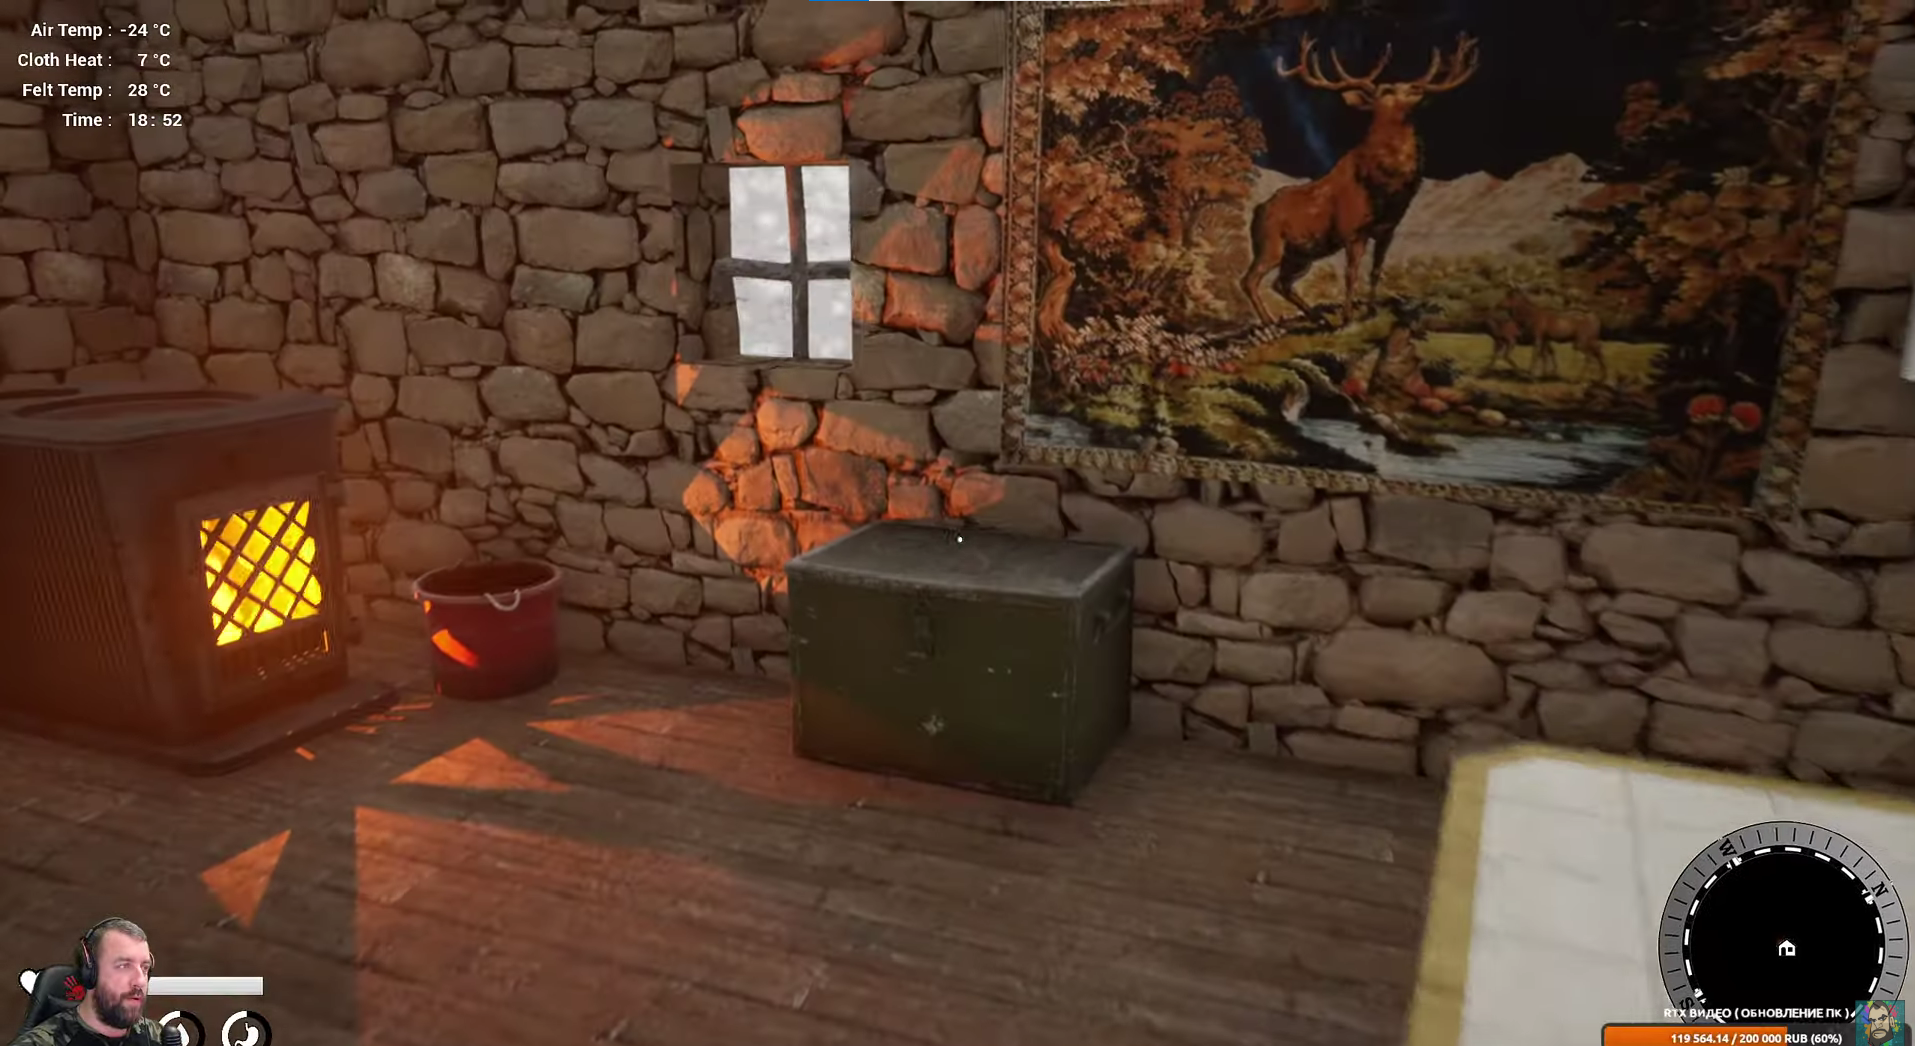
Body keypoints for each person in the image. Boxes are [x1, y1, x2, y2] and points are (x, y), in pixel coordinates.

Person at [9, 918, 165, 1046]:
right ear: (90, 972)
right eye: (123, 966)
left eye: (145, 968)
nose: (140, 980)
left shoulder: (159, 1037)